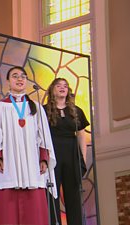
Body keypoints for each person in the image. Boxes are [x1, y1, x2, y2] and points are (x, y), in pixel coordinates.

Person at [0, 66, 57, 225]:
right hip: (8, 164)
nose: (20, 79)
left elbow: (43, 135)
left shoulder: (36, 107)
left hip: (32, 165)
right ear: (8, 82)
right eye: (15, 76)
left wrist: (43, 159)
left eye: (23, 76)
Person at [44, 78, 90, 225]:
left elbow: (82, 135)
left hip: (71, 154)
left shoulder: (76, 111)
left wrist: (82, 157)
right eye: (58, 86)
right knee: (52, 195)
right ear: (52, 90)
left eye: (65, 86)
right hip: (53, 154)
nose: (62, 88)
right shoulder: (44, 111)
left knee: (74, 196)